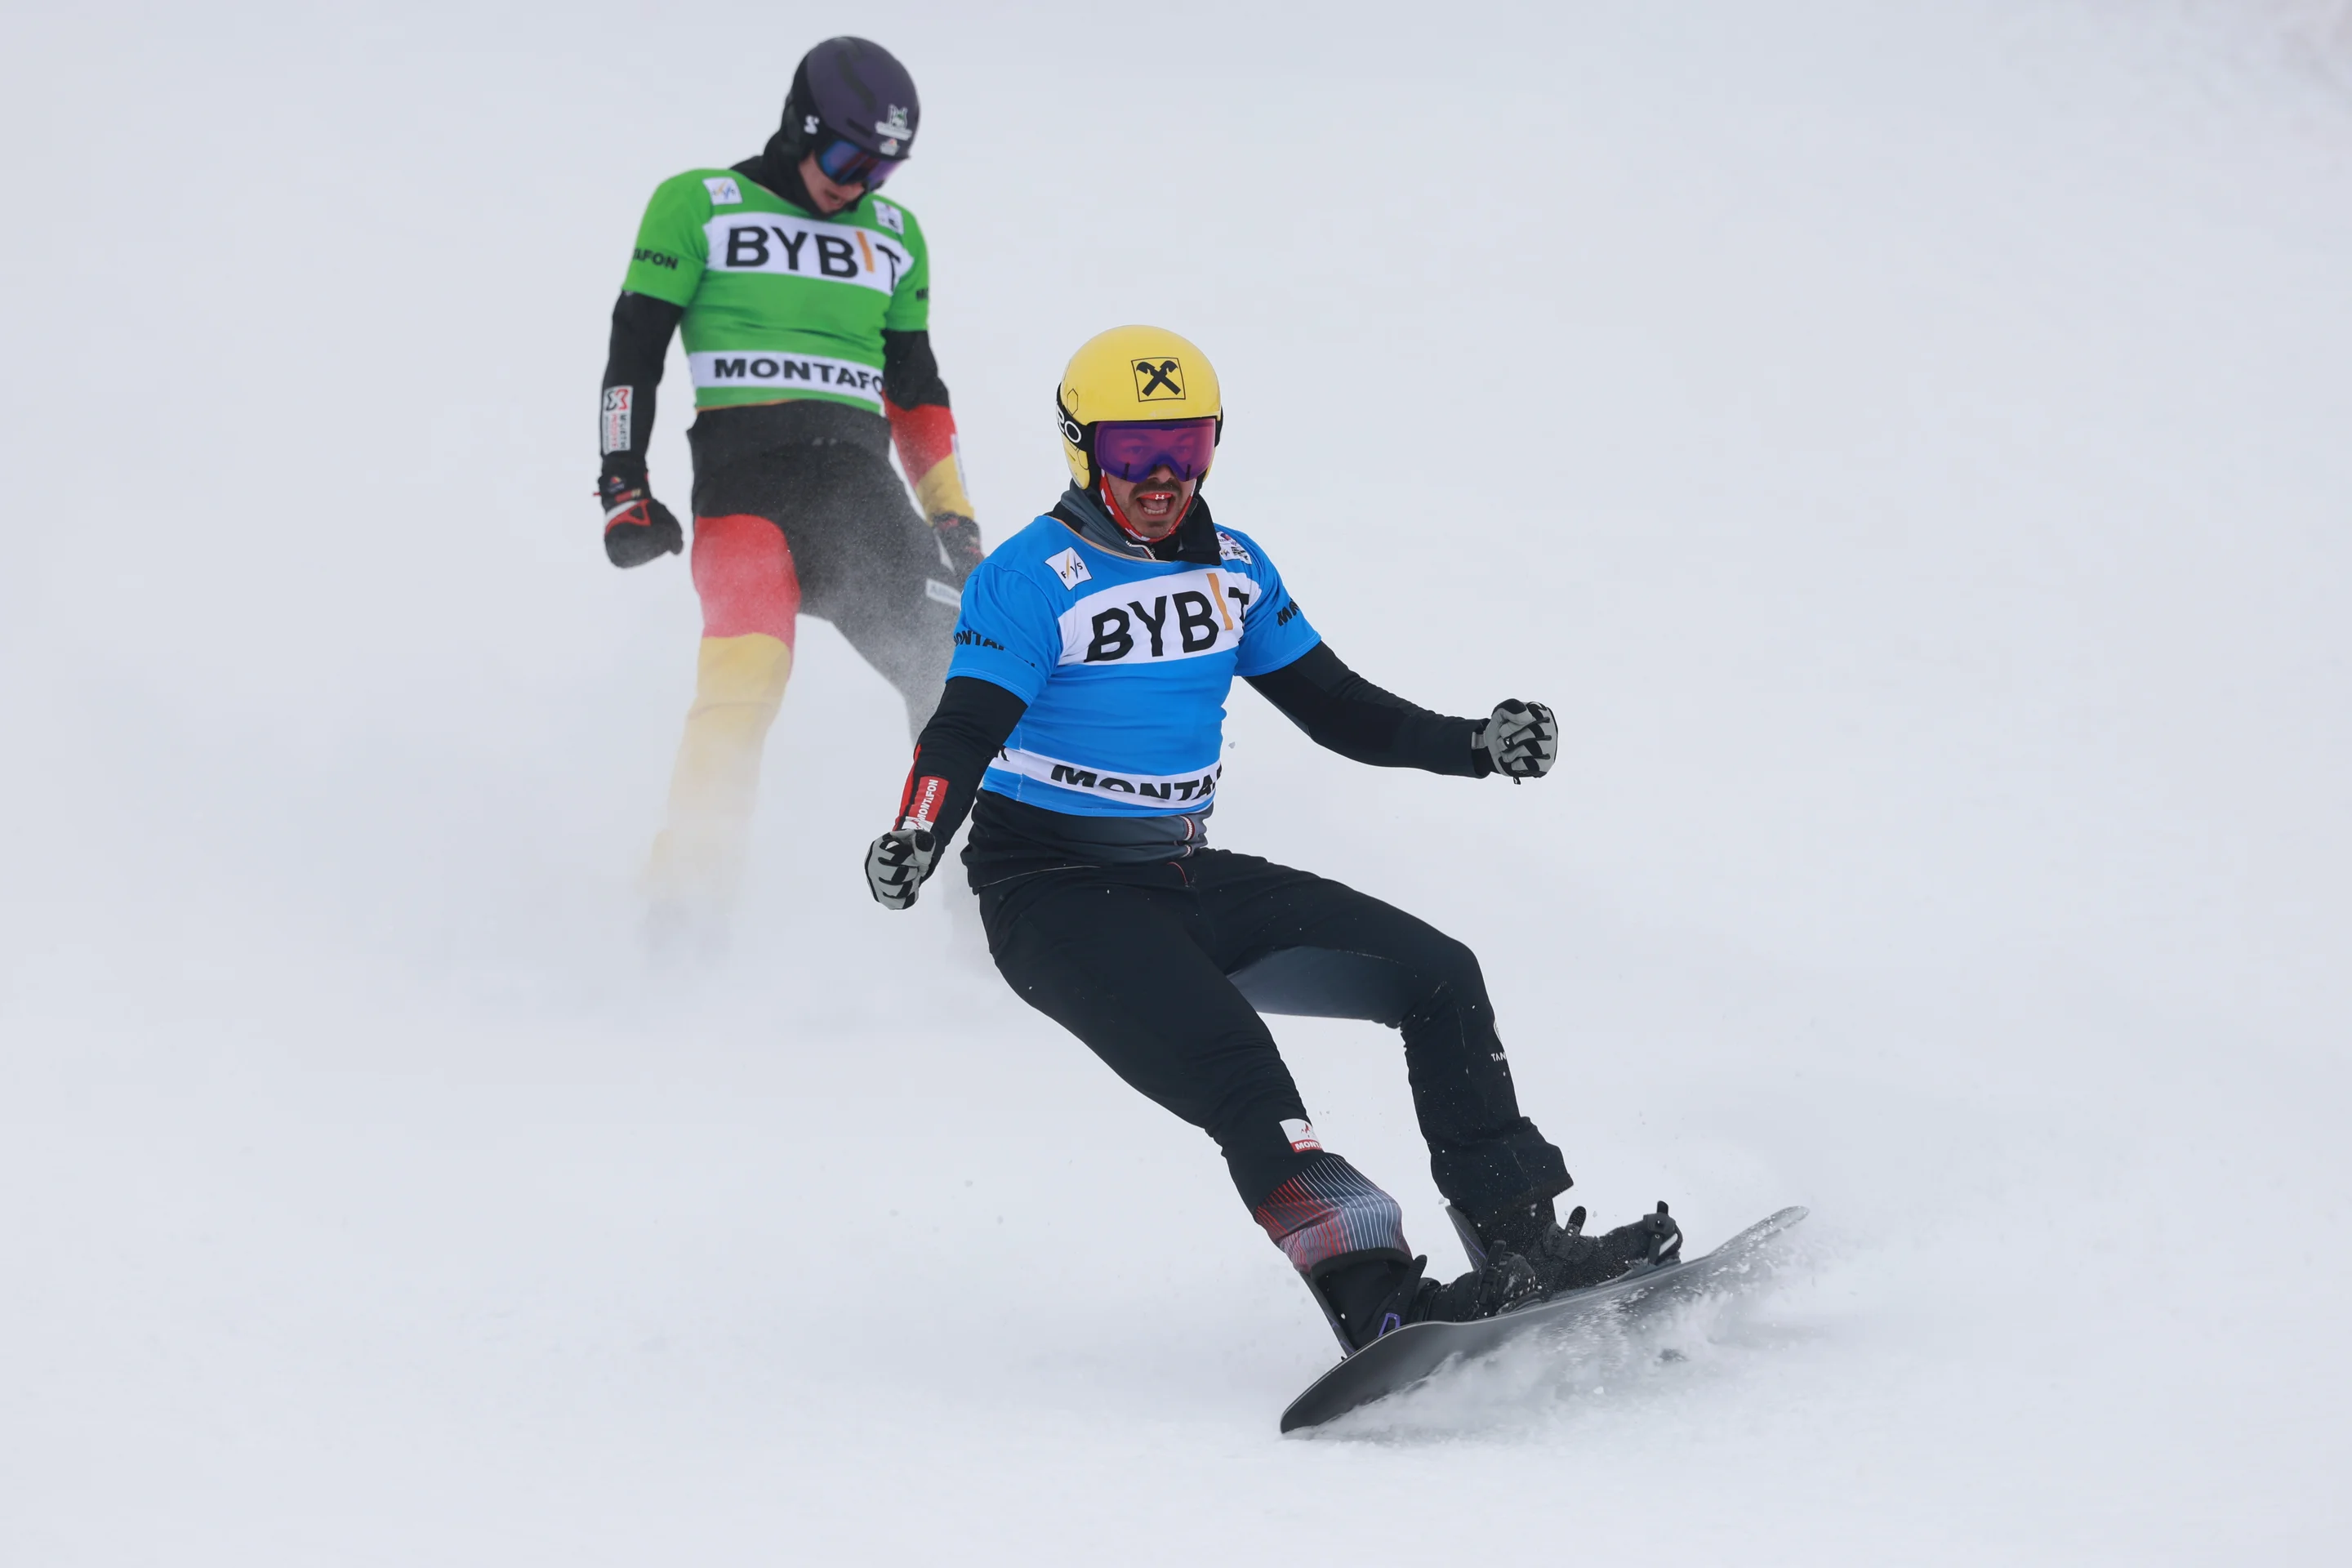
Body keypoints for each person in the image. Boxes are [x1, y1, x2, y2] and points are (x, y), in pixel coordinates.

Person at [861, 326, 1682, 1353]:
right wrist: (916, 834)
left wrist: (1476, 745)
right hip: (1051, 897)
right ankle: (1379, 1302)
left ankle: (1523, 1245)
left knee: (1438, 974)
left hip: (1175, 873)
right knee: (1246, 1080)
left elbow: (1340, 709)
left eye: (1186, 449)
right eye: (1130, 452)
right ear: (1082, 449)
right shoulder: (1031, 580)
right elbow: (965, 728)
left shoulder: (1235, 569)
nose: (1160, 477)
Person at [599, 37, 980, 942]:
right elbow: (633, 356)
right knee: (743, 688)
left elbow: (918, 396)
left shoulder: (895, 236)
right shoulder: (699, 205)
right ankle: (683, 914)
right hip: (746, 494)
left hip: (859, 492)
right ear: (797, 128)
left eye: (882, 169)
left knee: (959, 675)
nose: (858, 184)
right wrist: (623, 485)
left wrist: (955, 518)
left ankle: (998, 897)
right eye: (847, 158)